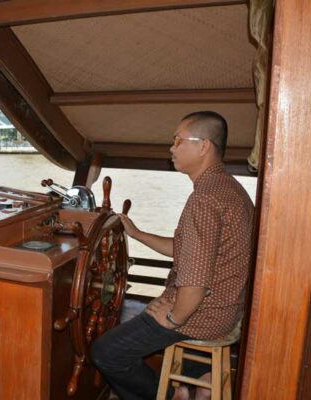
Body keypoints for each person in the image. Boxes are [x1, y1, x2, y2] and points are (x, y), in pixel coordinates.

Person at [91, 111, 254, 400]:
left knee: (107, 352)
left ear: (203, 146)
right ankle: (198, 382)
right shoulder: (229, 189)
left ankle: (167, 395)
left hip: (203, 314)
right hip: (229, 311)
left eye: (178, 140)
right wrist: (138, 234)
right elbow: (188, 252)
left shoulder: (204, 200)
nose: (171, 148)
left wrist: (173, 317)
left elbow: (195, 282)